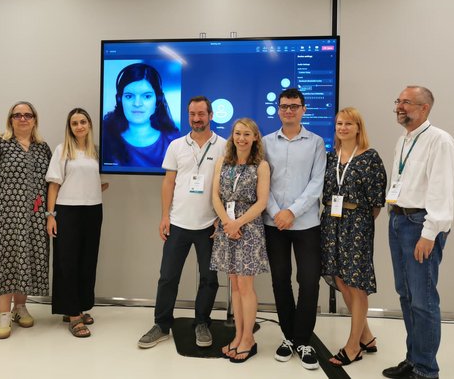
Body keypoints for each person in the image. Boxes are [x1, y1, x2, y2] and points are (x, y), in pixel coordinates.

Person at [138, 96, 226, 349]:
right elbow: (168, 182)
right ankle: (162, 324)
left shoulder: (224, 146)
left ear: (210, 115)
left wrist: (222, 219)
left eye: (201, 113)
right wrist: (165, 215)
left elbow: (227, 185)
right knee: (168, 277)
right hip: (178, 223)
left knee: (209, 279)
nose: (196, 118)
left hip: (210, 225)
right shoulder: (176, 145)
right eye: (192, 114)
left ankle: (202, 323)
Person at [382, 86, 454, 379]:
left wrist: (430, 233)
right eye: (398, 101)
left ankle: (427, 370)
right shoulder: (404, 140)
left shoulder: (440, 141)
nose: (399, 106)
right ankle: (413, 360)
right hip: (399, 220)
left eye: (406, 102)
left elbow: (441, 190)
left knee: (423, 300)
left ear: (424, 108)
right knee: (406, 295)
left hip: (421, 226)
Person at [0, 101, 52, 339]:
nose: (23, 118)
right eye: (17, 115)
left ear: (35, 119)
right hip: (4, 218)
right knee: (4, 262)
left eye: (28, 115)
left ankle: (20, 307)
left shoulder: (42, 148)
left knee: (27, 260)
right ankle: (3, 314)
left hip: (34, 219)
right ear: (10, 119)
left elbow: (52, 182)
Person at [263, 88, 326, 370]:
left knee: (309, 281)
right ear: (278, 109)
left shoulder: (316, 143)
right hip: (274, 223)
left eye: (294, 106)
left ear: (303, 109)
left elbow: (317, 184)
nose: (289, 110)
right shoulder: (265, 143)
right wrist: (277, 213)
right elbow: (260, 183)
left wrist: (292, 211)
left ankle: (304, 340)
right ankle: (289, 337)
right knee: (280, 279)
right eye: (284, 106)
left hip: (306, 224)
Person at [319, 107, 387, 366]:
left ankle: (353, 346)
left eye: (349, 123)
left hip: (356, 225)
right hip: (330, 224)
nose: (343, 128)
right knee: (340, 278)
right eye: (339, 123)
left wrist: (359, 225)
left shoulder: (370, 158)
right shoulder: (330, 157)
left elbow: (376, 203)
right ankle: (367, 336)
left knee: (357, 284)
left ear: (359, 128)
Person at [210, 118, 270, 363]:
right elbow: (215, 196)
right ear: (232, 136)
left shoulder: (261, 166)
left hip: (248, 230)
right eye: (237, 133)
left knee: (246, 287)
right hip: (227, 227)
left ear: (255, 137)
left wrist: (238, 223)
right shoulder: (223, 162)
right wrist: (226, 222)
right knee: (234, 285)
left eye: (247, 134)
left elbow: (262, 202)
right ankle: (238, 335)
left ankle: (249, 338)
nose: (241, 138)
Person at [45, 108, 109, 338]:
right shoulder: (62, 150)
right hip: (67, 211)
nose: (79, 126)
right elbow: (53, 184)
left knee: (87, 261)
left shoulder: (95, 152)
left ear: (89, 125)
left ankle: (78, 306)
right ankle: (73, 315)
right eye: (74, 123)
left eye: (83, 122)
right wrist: (50, 215)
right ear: (70, 127)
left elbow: (90, 179)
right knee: (67, 262)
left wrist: (95, 187)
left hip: (93, 210)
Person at [102, 63, 179, 168]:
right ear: (120, 100)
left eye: (146, 96)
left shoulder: (173, 141)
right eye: (129, 96)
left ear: (158, 99)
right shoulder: (105, 137)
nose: (137, 104)